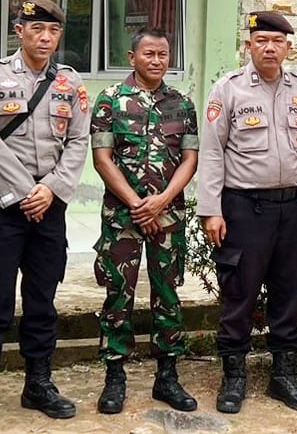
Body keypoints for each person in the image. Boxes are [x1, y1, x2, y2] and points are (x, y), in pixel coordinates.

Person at [0, 0, 89, 434]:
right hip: (4, 205)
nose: (45, 38)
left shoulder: (70, 84)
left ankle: (38, 383)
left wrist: (50, 189)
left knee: (42, 298)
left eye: (52, 31)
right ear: (20, 30)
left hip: (49, 205)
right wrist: (22, 191)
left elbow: (78, 142)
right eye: (36, 29)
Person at [197, 11, 297, 415]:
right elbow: (212, 153)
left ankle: (282, 375)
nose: (269, 47)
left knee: (289, 294)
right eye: (261, 40)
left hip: (292, 208)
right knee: (240, 293)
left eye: (277, 41)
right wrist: (210, 210)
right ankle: (234, 376)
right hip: (244, 209)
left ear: (288, 47)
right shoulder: (229, 89)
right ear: (249, 44)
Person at [91, 27, 199, 415]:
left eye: (163, 54)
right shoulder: (110, 101)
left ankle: (167, 376)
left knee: (167, 293)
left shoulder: (182, 103)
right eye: (149, 54)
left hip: (168, 215)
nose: (157, 61)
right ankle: (115, 376)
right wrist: (139, 204)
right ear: (132, 56)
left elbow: (189, 159)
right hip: (123, 216)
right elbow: (102, 159)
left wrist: (162, 202)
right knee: (118, 294)